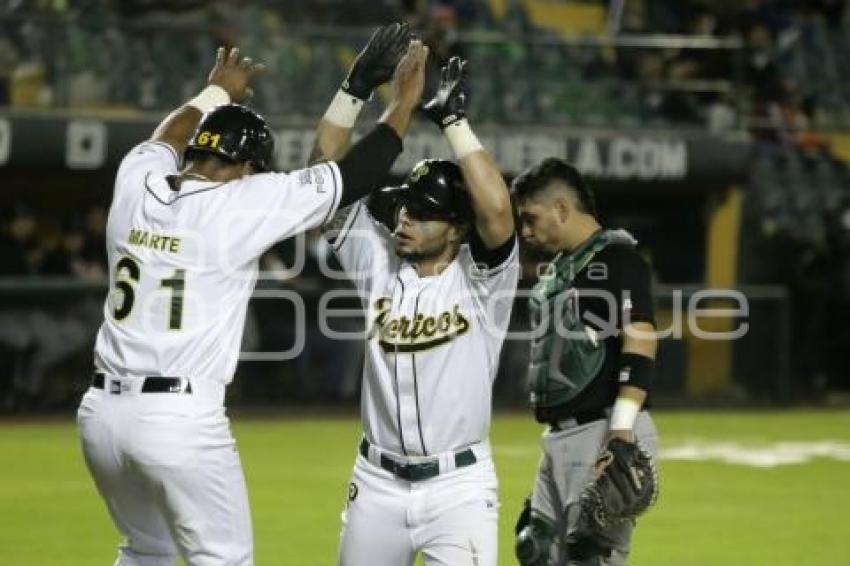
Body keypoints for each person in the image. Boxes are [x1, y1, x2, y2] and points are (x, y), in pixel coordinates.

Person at [76, 39, 428, 566]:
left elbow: (167, 134)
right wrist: (402, 103)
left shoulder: (137, 181)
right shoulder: (241, 201)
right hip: (178, 415)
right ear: (246, 167)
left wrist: (215, 90)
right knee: (225, 558)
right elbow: (357, 175)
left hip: (99, 415)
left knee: (145, 550)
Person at [310, 27, 518, 565]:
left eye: (424, 212)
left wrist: (454, 122)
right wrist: (354, 88)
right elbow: (322, 178)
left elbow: (497, 212)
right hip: (375, 483)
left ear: (456, 228)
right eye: (406, 207)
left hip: (460, 489)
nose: (406, 218)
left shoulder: (484, 281)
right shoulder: (375, 257)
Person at [511, 158, 660, 565]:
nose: (524, 230)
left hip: (606, 430)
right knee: (536, 549)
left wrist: (622, 431)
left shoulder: (617, 260)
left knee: (589, 559)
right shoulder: (562, 270)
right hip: (562, 435)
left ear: (561, 208)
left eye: (530, 217)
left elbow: (641, 338)